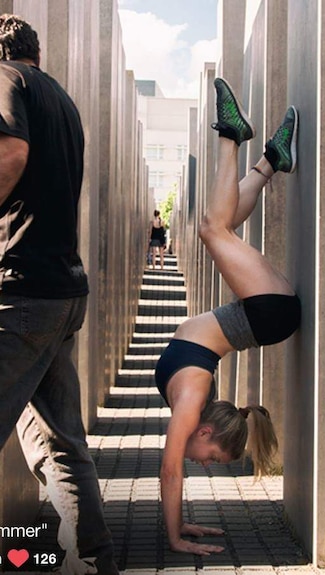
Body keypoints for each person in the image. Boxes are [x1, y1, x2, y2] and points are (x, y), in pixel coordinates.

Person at [155, 77, 301, 556]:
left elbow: (172, 469)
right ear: (204, 432)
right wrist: (176, 536)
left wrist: (180, 531)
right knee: (211, 227)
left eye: (213, 461)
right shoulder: (193, 400)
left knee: (220, 223)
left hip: (265, 312)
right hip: (266, 312)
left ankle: (267, 160)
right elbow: (172, 471)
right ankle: (231, 137)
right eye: (215, 458)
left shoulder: (193, 403)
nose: (208, 464)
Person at [0, 14, 118, 574]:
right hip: (62, 292)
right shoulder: (64, 102)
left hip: (19, 288)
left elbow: (11, 154)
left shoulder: (6, 79)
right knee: (62, 441)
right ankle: (93, 559)